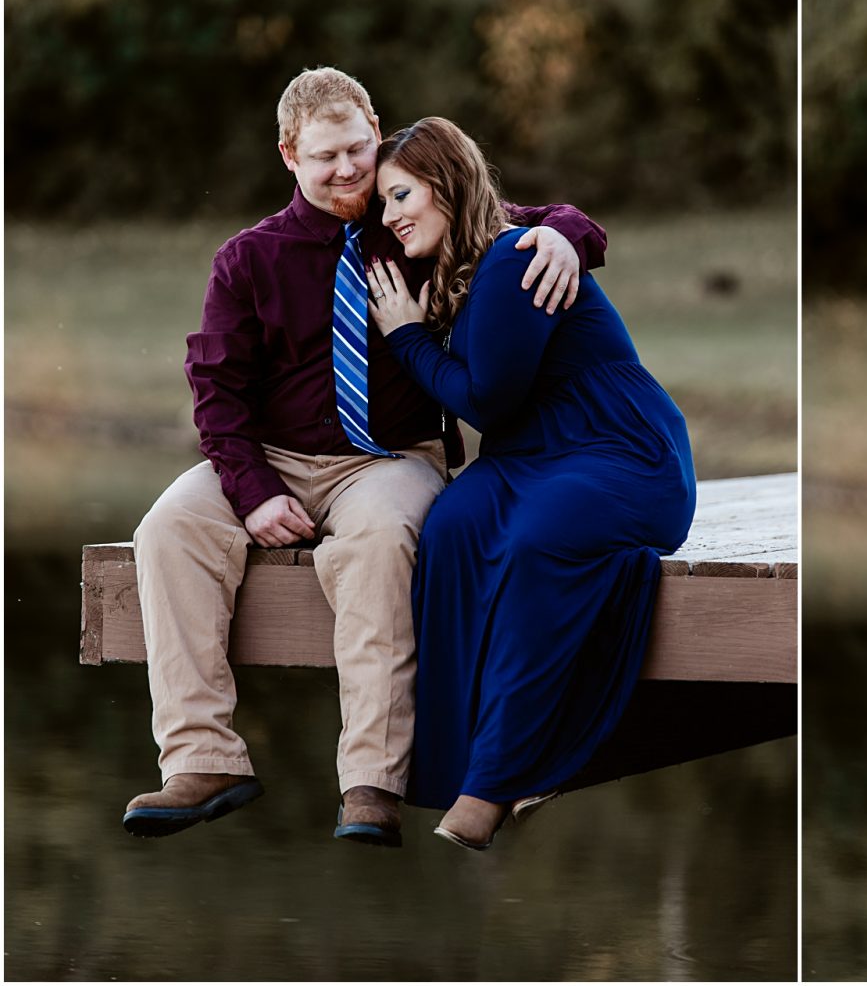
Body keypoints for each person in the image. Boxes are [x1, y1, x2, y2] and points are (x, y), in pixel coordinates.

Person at [124, 68, 606, 848]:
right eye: (325, 157)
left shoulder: (415, 217)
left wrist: (566, 235)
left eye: (357, 148)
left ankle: (372, 782)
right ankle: (202, 758)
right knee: (168, 527)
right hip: (273, 456)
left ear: (376, 129)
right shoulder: (247, 260)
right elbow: (216, 391)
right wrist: (251, 492)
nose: (348, 169)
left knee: (381, 542)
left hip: (385, 459)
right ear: (289, 156)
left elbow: (529, 218)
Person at [365, 117, 696, 851]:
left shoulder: (515, 259)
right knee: (451, 528)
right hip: (528, 457)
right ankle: (452, 761)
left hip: (620, 452)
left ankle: (495, 779)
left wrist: (408, 337)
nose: (390, 217)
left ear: (445, 186)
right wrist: (568, 227)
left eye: (401, 195)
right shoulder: (465, 250)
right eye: (384, 202)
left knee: (535, 544)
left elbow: (486, 401)